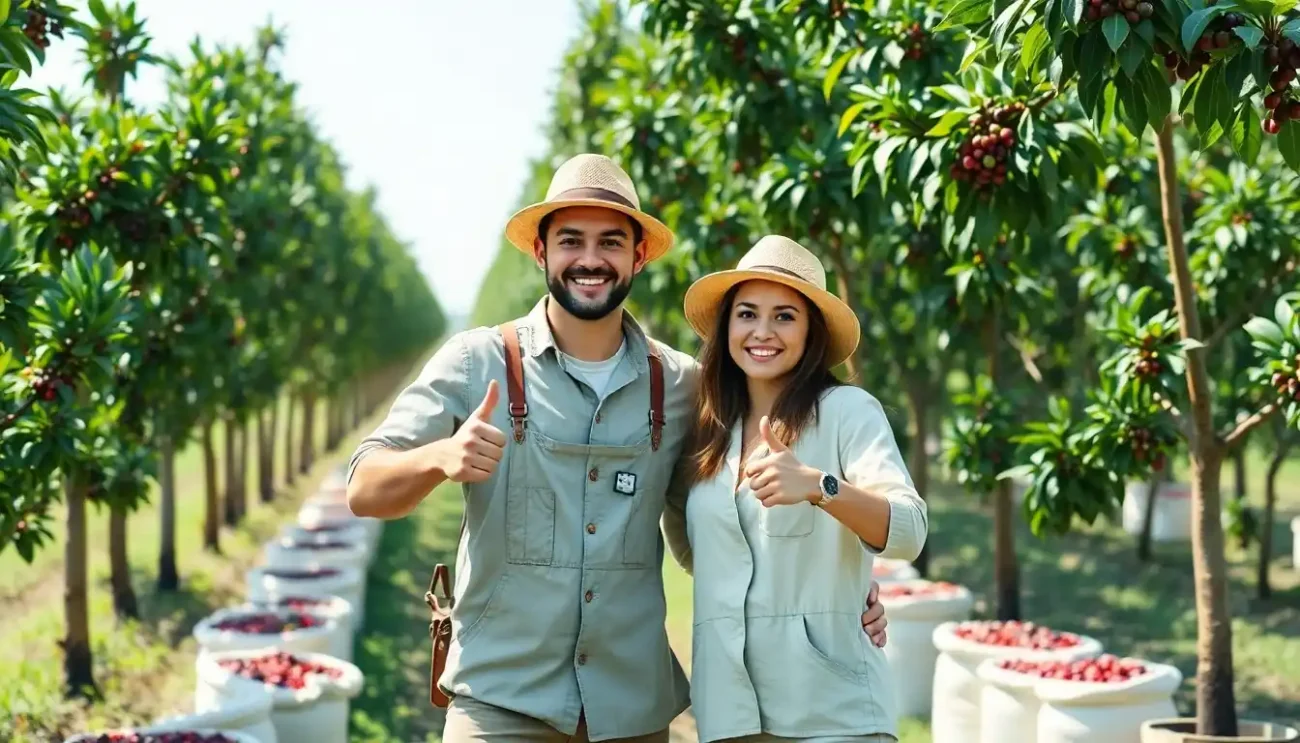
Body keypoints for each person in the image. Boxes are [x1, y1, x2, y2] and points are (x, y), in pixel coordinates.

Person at [346, 154, 891, 743]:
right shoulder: (478, 363)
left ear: (638, 256)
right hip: (500, 701)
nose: (589, 259)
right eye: (571, 240)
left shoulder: (680, 384)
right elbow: (363, 487)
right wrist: (437, 458)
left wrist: (831, 586)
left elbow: (711, 527)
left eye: (610, 242)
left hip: (629, 711)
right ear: (541, 252)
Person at [660, 235, 928, 743]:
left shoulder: (847, 412)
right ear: (727, 326)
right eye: (747, 314)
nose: (763, 331)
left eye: (784, 316)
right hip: (727, 713)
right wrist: (839, 581)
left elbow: (909, 530)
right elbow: (703, 553)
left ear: (811, 333)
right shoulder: (706, 428)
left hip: (830, 713)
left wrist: (819, 487)